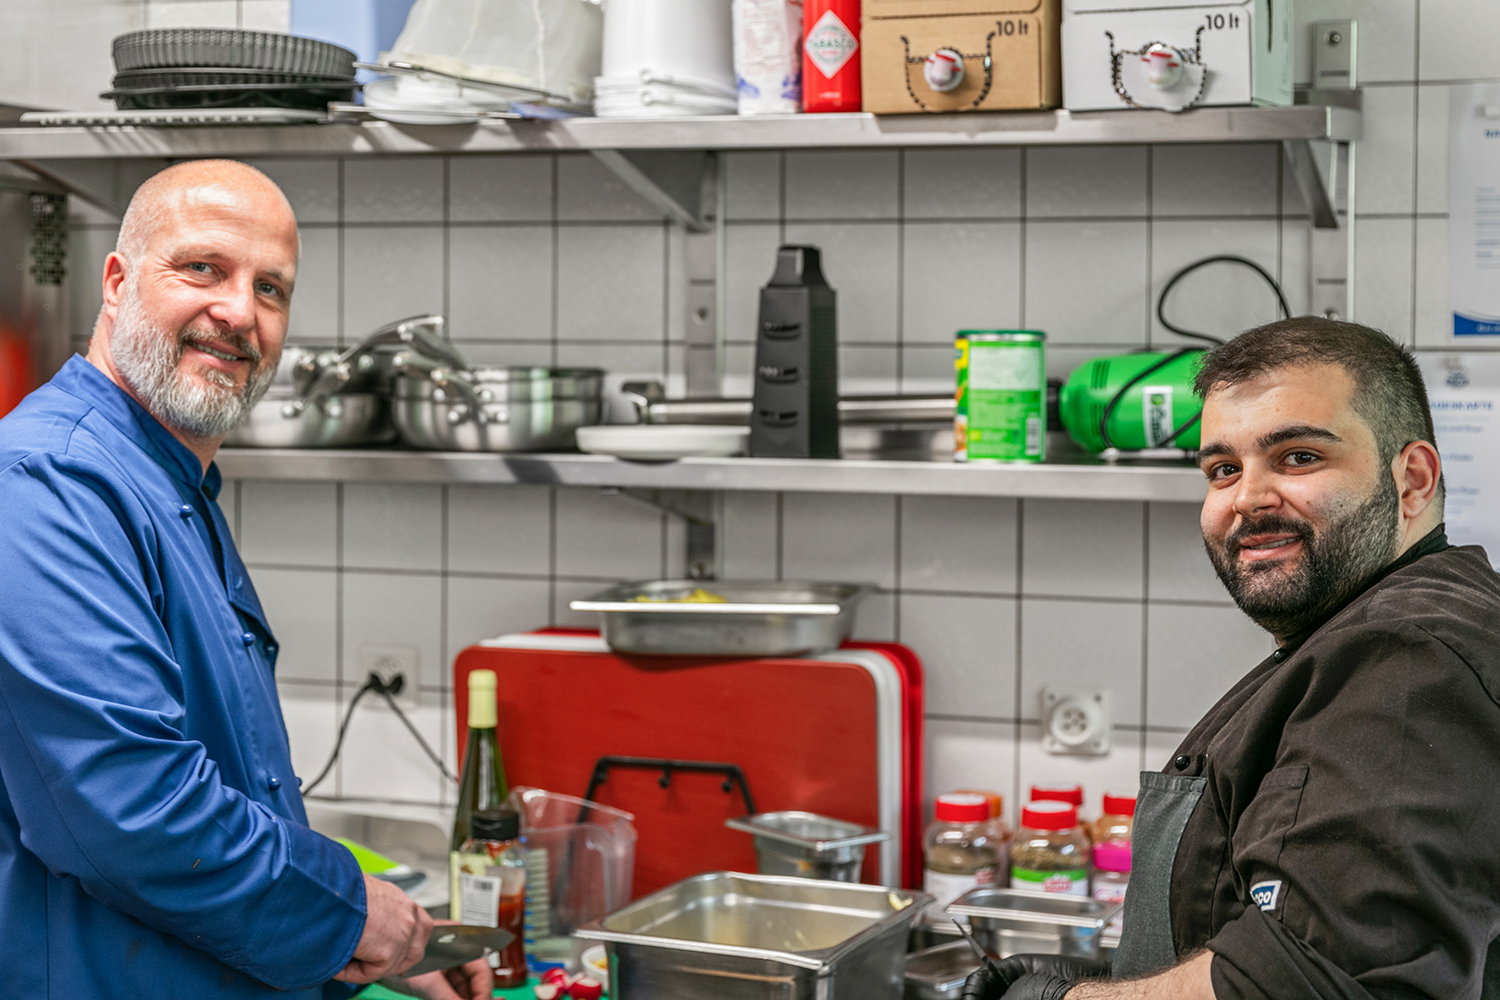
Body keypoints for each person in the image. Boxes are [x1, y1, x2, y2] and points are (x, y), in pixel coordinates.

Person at [0, 160, 490, 999]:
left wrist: (368, 945)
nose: (239, 312)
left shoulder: (165, 481)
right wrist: (349, 915)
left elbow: (236, 790)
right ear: (116, 283)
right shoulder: (47, 482)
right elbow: (132, 811)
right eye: (202, 268)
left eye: (270, 288)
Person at [965, 318, 1500, 1000]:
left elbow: (1309, 983)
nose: (1247, 498)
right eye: (1223, 469)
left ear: (1413, 479)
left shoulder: (1409, 660)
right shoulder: (1370, 630)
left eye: (1298, 457)